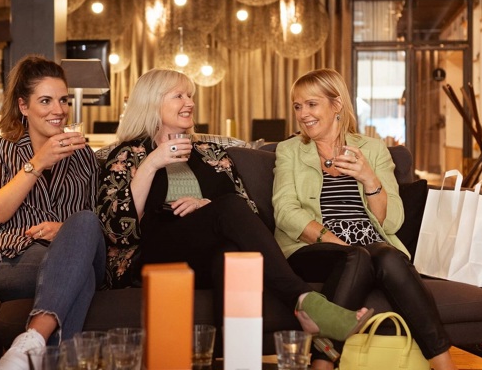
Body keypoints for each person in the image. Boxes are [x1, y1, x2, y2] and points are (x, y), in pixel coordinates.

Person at [95, 68, 373, 345]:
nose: (190, 102)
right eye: (179, 96)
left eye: (190, 96)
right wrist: (153, 163)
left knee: (229, 252)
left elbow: (250, 215)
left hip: (203, 256)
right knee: (228, 207)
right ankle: (303, 301)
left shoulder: (211, 153)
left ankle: (233, 356)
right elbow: (118, 231)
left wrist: (206, 206)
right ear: (152, 102)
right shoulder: (127, 155)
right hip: (153, 253)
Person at [272, 68, 458, 370]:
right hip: (314, 247)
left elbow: (392, 222)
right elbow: (285, 210)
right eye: (297, 106)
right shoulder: (289, 150)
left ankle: (444, 365)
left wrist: (369, 178)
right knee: (358, 256)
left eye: (311, 104)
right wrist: (338, 243)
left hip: (372, 246)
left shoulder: (372, 149)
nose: (303, 114)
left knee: (386, 255)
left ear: (337, 105)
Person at [0, 55, 105, 369]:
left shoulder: (82, 155)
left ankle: (30, 342)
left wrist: (65, 230)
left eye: (63, 100)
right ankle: (50, 357)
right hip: (13, 256)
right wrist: (37, 163)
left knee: (84, 226)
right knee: (80, 273)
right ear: (23, 106)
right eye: (45, 101)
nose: (58, 110)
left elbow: (94, 220)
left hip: (72, 252)